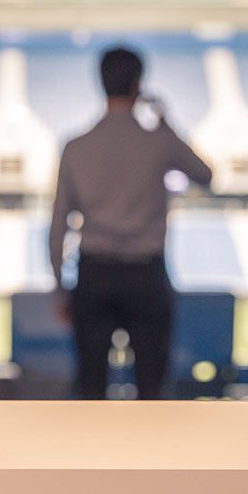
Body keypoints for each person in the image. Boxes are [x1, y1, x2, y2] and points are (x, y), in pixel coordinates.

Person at [49, 46, 213, 400]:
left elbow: (58, 224)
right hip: (146, 276)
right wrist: (167, 125)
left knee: (90, 391)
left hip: (94, 275)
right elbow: (205, 175)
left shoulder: (76, 147)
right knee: (152, 391)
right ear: (138, 85)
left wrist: (60, 288)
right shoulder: (158, 143)